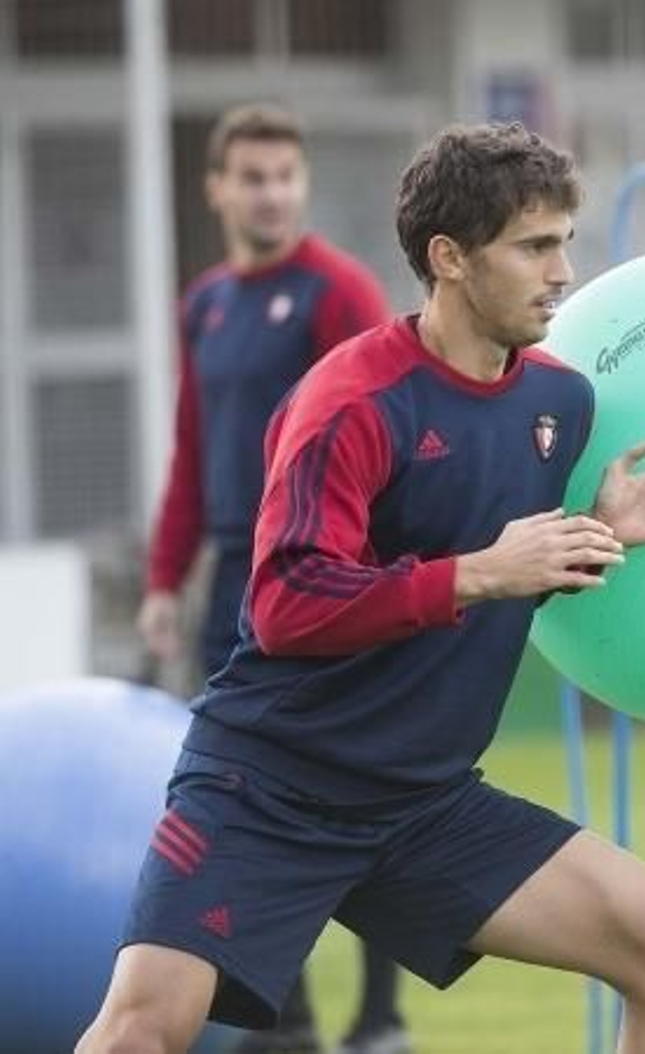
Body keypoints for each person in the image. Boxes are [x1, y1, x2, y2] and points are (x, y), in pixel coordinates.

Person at [79, 122, 645, 1054]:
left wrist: (594, 537)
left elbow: (499, 580)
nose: (563, 273)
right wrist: (481, 570)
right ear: (449, 257)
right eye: (534, 247)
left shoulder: (560, 403)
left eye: (565, 243)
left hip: (424, 805)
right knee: (142, 1032)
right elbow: (288, 604)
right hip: (268, 789)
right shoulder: (351, 402)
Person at [134, 103, 409, 1054]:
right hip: (231, 588)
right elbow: (192, 449)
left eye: (285, 176)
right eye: (252, 177)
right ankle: (281, 1022)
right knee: (240, 805)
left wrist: (373, 577)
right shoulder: (205, 304)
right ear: (217, 189)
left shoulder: (338, 292)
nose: (272, 194)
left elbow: (388, 431)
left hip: (323, 581)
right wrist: (164, 579)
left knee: (355, 794)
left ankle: (380, 1020)